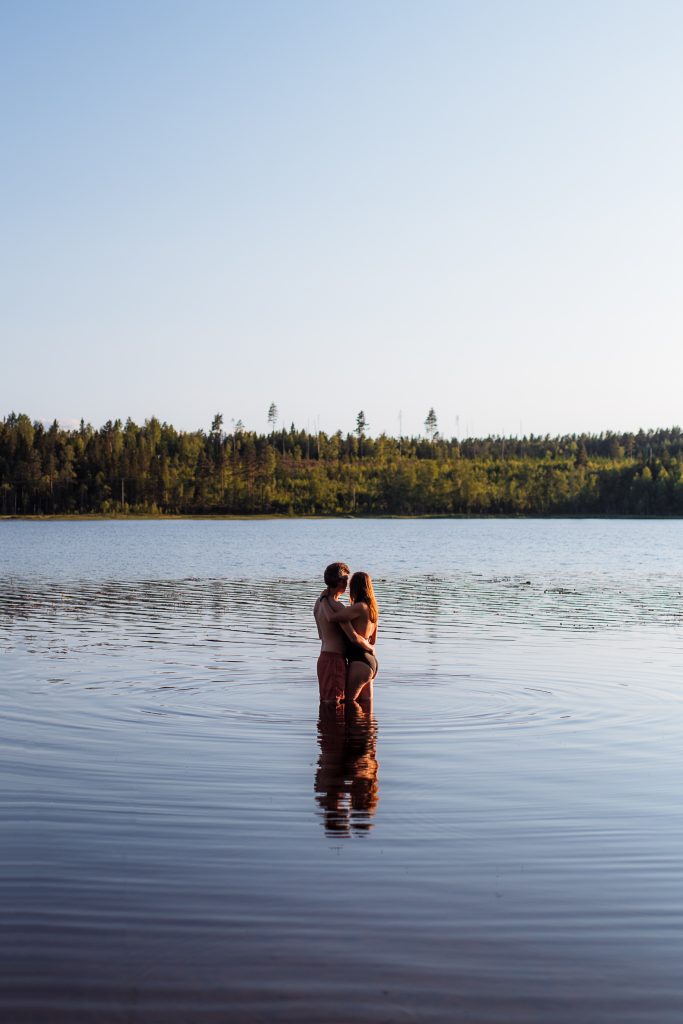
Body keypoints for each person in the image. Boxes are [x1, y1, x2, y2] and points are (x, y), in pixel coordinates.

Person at [314, 562, 373, 703]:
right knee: (334, 704)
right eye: (346, 580)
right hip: (334, 659)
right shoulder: (338, 607)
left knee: (327, 702)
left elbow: (321, 635)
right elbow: (352, 636)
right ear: (341, 582)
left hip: (323, 657)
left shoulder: (318, 603)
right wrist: (369, 647)